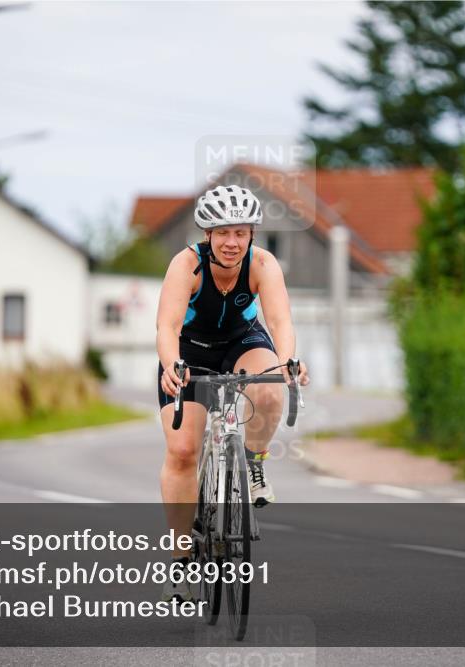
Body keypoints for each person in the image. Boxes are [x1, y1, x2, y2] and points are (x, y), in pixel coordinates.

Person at [156, 185, 309, 602]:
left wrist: (288, 363)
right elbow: (167, 327)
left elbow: (279, 321)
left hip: (243, 341)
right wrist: (172, 366)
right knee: (183, 452)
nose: (231, 242)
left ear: (252, 234)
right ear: (207, 234)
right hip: (189, 351)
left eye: (240, 232)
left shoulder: (263, 264)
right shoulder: (186, 265)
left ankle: (254, 465)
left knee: (270, 390)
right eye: (222, 232)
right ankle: (183, 557)